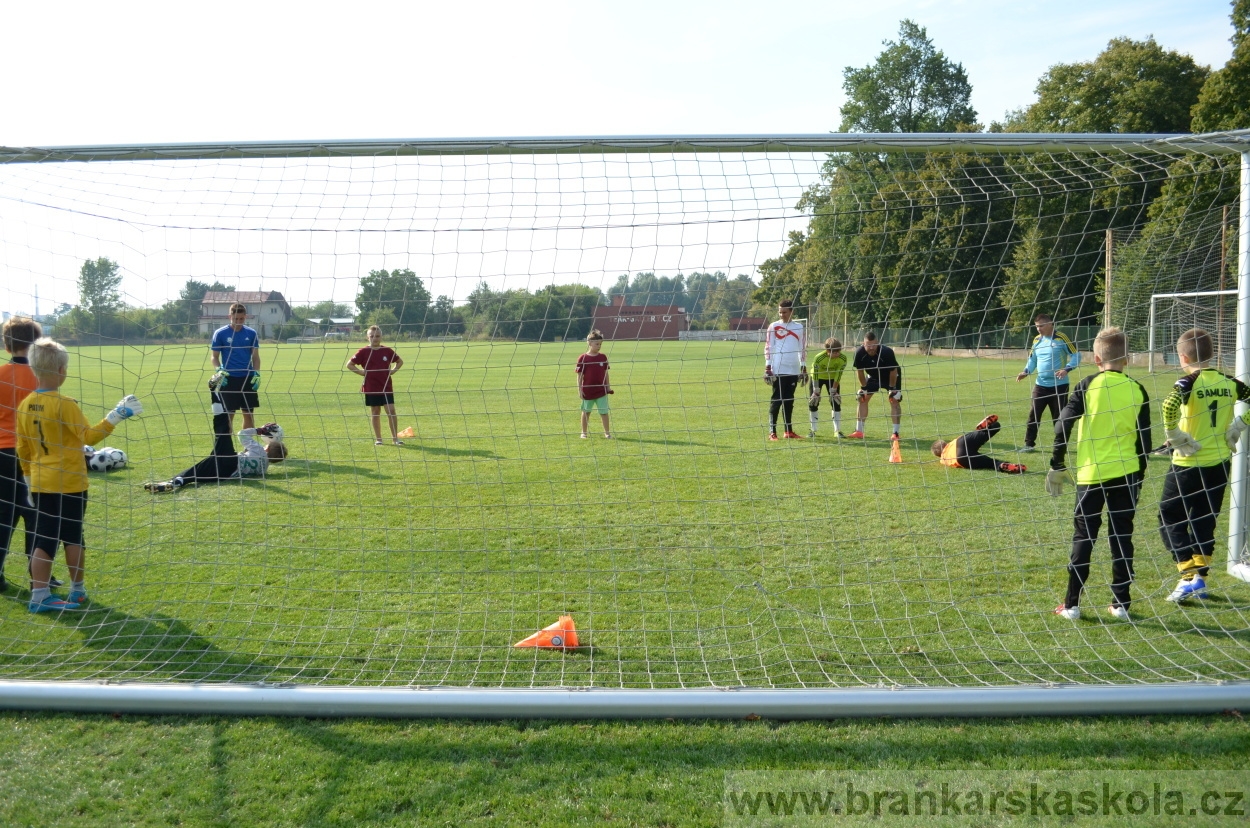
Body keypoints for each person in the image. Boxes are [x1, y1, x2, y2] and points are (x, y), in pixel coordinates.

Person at [16, 337, 143, 612]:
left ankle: (42, 592)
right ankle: (73, 592)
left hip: (40, 482)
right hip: (70, 482)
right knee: (72, 535)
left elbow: (22, 448)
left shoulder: (25, 405)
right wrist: (116, 415)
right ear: (62, 371)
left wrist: (27, 480)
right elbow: (89, 436)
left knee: (44, 536)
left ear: (34, 368)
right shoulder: (64, 403)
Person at [1046, 327, 1150, 622]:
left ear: (1095, 358)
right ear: (1127, 359)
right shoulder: (1137, 389)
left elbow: (1061, 426)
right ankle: (1121, 605)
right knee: (1122, 536)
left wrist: (1057, 464)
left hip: (1092, 476)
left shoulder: (1087, 385)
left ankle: (1071, 605)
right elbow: (1145, 441)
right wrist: (1138, 479)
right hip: (1128, 474)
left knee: (1084, 537)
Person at [1157, 328, 1250, 603]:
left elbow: (1168, 405)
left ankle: (1188, 577)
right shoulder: (1229, 381)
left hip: (1187, 462)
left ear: (1183, 356)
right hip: (1219, 463)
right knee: (1204, 519)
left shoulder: (1187, 383)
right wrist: (1239, 425)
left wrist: (1173, 434)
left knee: (1168, 515)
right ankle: (1201, 579)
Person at [145, 395, 285, 492]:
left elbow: (241, 434)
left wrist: (259, 430)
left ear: (267, 448)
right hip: (225, 475)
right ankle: (175, 482)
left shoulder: (259, 450)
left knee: (223, 430)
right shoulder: (264, 469)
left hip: (230, 460)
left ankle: (213, 391)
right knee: (195, 473)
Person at [0, 317, 41, 593]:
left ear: (6, 345)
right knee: (35, 513)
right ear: (36, 343)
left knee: (4, 513)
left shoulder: (1, 374)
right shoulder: (42, 375)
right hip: (33, 453)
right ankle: (39, 576)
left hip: (2, 452)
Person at [1015, 313, 1080, 452]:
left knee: (1059, 418)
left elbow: (1076, 355)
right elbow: (1032, 359)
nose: (1038, 329)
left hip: (1059, 385)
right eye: (1037, 326)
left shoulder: (1061, 338)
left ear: (1051, 323)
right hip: (1040, 385)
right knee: (1034, 415)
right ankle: (1029, 445)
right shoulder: (1037, 340)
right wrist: (1026, 371)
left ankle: (1060, 445)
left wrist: (1067, 369)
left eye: (1041, 326)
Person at [346, 325, 405, 446]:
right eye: (372, 336)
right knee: (375, 411)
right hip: (371, 387)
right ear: (367, 337)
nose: (375, 338)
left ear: (381, 337)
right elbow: (349, 364)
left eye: (377, 336)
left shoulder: (387, 351)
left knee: (391, 411)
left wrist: (393, 371)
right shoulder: (363, 351)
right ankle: (379, 439)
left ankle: (395, 439)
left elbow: (400, 361)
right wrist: (361, 372)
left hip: (386, 387)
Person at [210, 302, 261, 437]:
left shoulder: (251, 333)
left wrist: (257, 373)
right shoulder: (220, 333)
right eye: (235, 319)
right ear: (229, 317)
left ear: (245, 317)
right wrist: (219, 370)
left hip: (247, 379)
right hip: (228, 379)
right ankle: (227, 449)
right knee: (228, 415)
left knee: (248, 414)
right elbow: (214, 357)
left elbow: (256, 357)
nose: (238, 322)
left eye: (241, 319)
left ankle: (248, 448)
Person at [764, 300, 807, 440]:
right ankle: (772, 432)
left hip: (793, 369)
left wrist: (803, 366)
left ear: (791, 312)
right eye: (780, 312)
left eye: (784, 312)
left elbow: (802, 347)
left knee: (789, 400)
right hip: (778, 368)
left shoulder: (799, 327)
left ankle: (788, 431)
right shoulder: (774, 326)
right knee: (777, 400)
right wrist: (768, 367)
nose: (781, 314)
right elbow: (768, 346)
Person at [931, 415, 1026, 474]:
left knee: (991, 463)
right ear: (945, 444)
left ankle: (1001, 465)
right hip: (961, 441)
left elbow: (945, 461)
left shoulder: (943, 459)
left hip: (960, 457)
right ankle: (986, 428)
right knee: (994, 427)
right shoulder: (951, 443)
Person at [850, 331, 901, 440]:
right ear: (864, 344)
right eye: (868, 345)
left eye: (874, 345)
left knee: (894, 399)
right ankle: (859, 431)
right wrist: (863, 388)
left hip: (890, 376)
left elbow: (893, 371)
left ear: (878, 343)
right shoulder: (859, 353)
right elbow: (860, 371)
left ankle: (895, 433)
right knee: (862, 398)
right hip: (873, 376)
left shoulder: (887, 352)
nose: (872, 348)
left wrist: (892, 389)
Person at [808, 337, 847, 438]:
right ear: (827, 351)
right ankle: (813, 431)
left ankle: (837, 431)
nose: (837, 354)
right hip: (817, 378)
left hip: (832, 379)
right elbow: (815, 373)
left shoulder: (843, 358)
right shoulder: (819, 358)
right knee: (813, 402)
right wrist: (816, 391)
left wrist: (834, 390)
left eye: (838, 351)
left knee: (836, 402)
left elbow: (839, 374)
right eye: (834, 352)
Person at [576, 329, 612, 439]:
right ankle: (584, 432)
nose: (599, 346)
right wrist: (580, 390)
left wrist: (608, 386)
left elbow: (606, 373)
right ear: (589, 343)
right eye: (597, 344)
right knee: (586, 412)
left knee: (604, 412)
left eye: (600, 344)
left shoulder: (603, 357)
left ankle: (607, 433)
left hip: (601, 391)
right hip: (588, 391)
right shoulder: (583, 358)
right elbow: (579, 375)